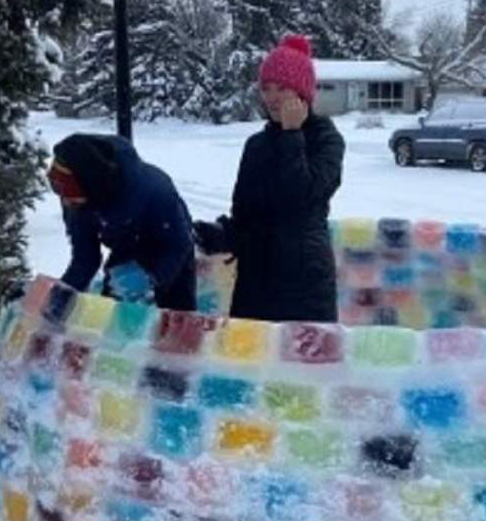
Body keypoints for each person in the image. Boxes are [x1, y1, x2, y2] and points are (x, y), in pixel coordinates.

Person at [194, 34, 345, 322]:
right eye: (266, 88)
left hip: (303, 281)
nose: (272, 97)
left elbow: (302, 198)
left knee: (302, 364)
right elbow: (247, 213)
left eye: (282, 88)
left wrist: (292, 135)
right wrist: (223, 234)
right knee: (251, 362)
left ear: (303, 93)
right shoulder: (256, 144)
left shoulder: (327, 140)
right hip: (256, 279)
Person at [48, 133, 196, 311]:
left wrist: (152, 278)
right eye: (58, 190)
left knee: (176, 317)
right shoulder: (76, 201)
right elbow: (86, 257)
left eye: (68, 192)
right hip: (124, 246)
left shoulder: (155, 191)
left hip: (168, 245)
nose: (65, 201)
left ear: (92, 184)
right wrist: (65, 293)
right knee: (114, 309)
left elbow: (179, 244)